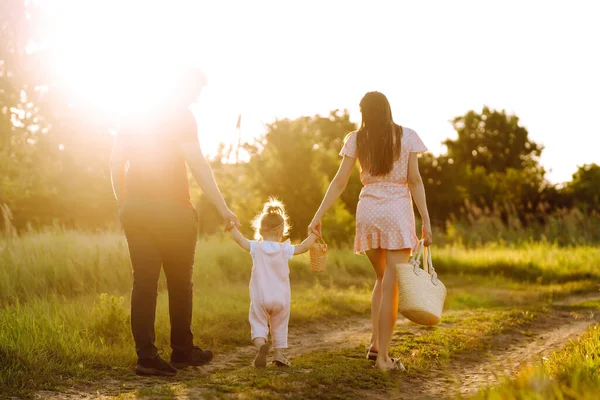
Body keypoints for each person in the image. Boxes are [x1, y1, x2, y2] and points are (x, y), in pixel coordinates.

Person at [110, 66, 240, 376]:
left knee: (144, 284)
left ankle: (146, 358)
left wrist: (125, 203)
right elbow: (198, 164)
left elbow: (115, 162)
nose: (195, 99)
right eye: (195, 92)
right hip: (174, 212)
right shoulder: (181, 116)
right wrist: (224, 209)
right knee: (180, 284)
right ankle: (182, 351)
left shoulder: (133, 113)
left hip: (136, 210)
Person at [308, 91, 433, 371]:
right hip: (397, 212)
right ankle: (384, 359)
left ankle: (376, 344)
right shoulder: (408, 135)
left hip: (369, 212)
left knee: (381, 277)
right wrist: (425, 218)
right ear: (388, 109)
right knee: (392, 283)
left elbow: (340, 182)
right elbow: (414, 181)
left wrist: (318, 215)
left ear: (364, 112)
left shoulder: (356, 138)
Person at [229, 198, 318, 368]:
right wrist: (314, 234)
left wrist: (232, 226)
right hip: (281, 299)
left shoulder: (257, 247)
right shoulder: (284, 249)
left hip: (261, 298)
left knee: (258, 322)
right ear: (281, 231)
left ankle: (261, 345)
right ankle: (278, 354)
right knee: (279, 325)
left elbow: (240, 240)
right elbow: (304, 247)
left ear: (260, 230)